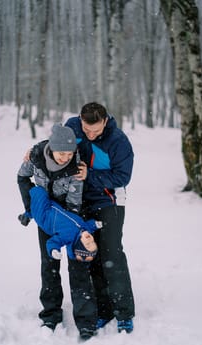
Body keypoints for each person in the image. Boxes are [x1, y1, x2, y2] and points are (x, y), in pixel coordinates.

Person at [17, 123, 98, 340]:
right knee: (49, 266)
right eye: (62, 153)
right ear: (51, 149)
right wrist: (30, 207)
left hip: (70, 220)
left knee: (78, 265)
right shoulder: (35, 158)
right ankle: (50, 315)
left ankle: (86, 321)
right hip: (45, 220)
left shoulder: (76, 167)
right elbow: (21, 177)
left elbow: (74, 204)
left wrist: (69, 228)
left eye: (70, 153)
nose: (66, 157)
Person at [65, 102, 135, 333]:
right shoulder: (72, 127)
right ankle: (103, 310)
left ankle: (124, 312)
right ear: (80, 120)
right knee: (90, 254)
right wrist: (34, 153)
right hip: (80, 200)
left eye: (96, 130)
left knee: (111, 253)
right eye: (87, 130)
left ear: (105, 121)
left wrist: (90, 176)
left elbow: (122, 177)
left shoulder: (118, 141)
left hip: (110, 201)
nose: (91, 135)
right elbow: (56, 149)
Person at [29, 185, 100, 262]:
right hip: (53, 208)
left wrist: (54, 250)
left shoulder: (68, 237)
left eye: (88, 244)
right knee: (47, 197)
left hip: (44, 216)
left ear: (79, 245)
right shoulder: (85, 229)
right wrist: (96, 224)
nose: (90, 240)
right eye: (93, 242)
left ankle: (27, 189)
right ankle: (28, 213)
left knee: (39, 191)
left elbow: (53, 242)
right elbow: (90, 226)